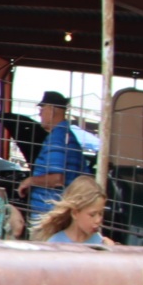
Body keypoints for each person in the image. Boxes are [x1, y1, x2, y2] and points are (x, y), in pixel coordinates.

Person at [19, 89, 92, 224]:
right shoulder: (66, 135)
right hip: (59, 212)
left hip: (49, 215)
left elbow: (57, 179)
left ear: (52, 110)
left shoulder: (57, 138)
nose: (40, 113)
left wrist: (29, 181)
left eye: (42, 108)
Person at [31, 175, 111, 245]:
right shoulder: (56, 243)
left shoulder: (101, 243)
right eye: (92, 215)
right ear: (75, 213)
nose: (98, 220)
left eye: (100, 214)